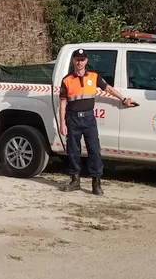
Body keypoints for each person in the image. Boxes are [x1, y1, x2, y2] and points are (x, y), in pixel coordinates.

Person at [59, 48, 138, 195]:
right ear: (73, 61)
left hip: (89, 118)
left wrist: (123, 99)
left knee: (94, 150)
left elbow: (108, 88)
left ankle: (96, 183)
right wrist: (62, 123)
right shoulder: (67, 80)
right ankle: (75, 180)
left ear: (86, 61)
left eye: (82, 60)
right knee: (73, 150)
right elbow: (63, 102)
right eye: (77, 60)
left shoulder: (94, 76)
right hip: (72, 118)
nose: (79, 62)